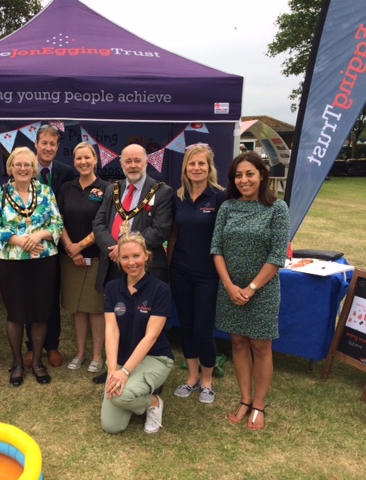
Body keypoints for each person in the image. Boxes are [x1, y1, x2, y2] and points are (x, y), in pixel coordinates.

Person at [210, 151, 290, 430]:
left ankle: (259, 404)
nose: (243, 180)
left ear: (262, 176)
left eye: (249, 174)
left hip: (263, 290)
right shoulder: (227, 208)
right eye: (238, 175)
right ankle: (245, 400)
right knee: (239, 343)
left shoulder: (277, 209)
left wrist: (252, 288)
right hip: (230, 289)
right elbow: (216, 249)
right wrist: (230, 286)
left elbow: (277, 256)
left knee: (261, 345)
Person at [91, 143, 173, 383]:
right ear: (121, 164)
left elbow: (160, 230)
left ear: (147, 163)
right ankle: (114, 367)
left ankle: (144, 369)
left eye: (138, 160)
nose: (133, 165)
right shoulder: (112, 189)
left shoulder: (162, 191)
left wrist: (127, 250)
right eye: (128, 161)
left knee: (144, 320)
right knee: (117, 320)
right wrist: (114, 250)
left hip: (145, 267)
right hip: (113, 263)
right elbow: (98, 223)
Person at [0, 146, 64, 387]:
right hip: (12, 261)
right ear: (11, 168)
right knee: (16, 312)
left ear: (34, 169)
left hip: (44, 260)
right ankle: (18, 362)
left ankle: (38, 362)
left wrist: (39, 235)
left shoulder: (45, 191)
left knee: (41, 311)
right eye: (18, 164)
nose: (23, 168)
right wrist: (22, 241)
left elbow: (57, 224)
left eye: (27, 164)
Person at [168, 144, 226, 404]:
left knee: (204, 329)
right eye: (192, 164)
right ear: (186, 168)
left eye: (201, 163)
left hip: (208, 275)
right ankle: (192, 377)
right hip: (180, 271)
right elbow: (172, 233)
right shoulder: (177, 197)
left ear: (209, 167)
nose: (196, 168)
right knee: (187, 327)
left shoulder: (220, 197)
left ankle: (207, 380)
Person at [100, 232, 174, 435]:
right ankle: (132, 394)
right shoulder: (113, 288)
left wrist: (124, 374)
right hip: (122, 360)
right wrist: (112, 371)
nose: (131, 262)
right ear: (119, 259)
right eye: (125, 257)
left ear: (146, 256)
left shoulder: (160, 290)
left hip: (154, 357)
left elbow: (151, 337)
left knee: (119, 397)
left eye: (136, 256)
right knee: (111, 427)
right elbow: (112, 330)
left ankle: (153, 402)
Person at [24, 124, 76, 369]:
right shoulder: (24, 169)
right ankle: (31, 347)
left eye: (52, 144)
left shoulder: (66, 172)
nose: (47, 148)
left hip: (53, 245)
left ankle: (52, 345)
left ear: (57, 147)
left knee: (50, 296)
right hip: (25, 246)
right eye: (43, 143)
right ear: (36, 144)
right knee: (29, 296)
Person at [57, 142, 109, 373]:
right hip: (69, 258)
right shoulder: (66, 187)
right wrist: (70, 248)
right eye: (78, 158)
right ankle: (80, 353)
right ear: (74, 161)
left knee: (95, 309)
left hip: (95, 256)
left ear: (95, 159)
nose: (83, 162)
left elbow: (106, 223)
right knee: (77, 308)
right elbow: (58, 221)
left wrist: (81, 246)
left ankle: (97, 355)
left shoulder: (107, 188)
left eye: (87, 157)